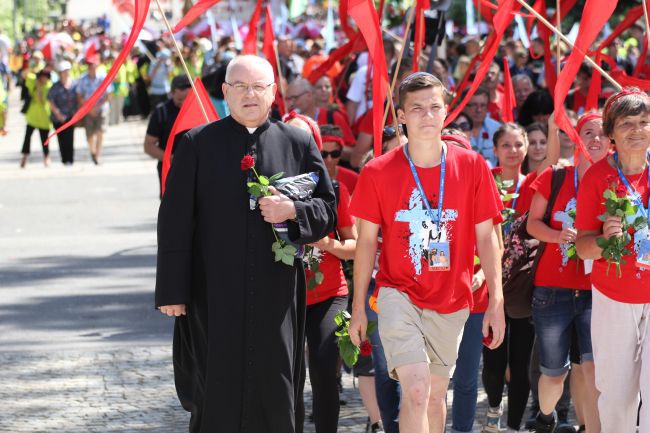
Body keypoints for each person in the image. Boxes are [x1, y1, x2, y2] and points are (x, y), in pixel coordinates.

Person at [155, 55, 337, 433]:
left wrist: (292, 209)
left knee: (277, 385)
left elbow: (326, 209)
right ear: (225, 92)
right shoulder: (197, 144)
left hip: (277, 292)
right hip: (213, 291)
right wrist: (173, 290)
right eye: (240, 86)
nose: (250, 94)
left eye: (258, 86)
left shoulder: (298, 143)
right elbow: (173, 222)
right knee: (214, 384)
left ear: (273, 92)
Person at [348, 72, 505, 433]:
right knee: (416, 389)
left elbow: (487, 238)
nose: (427, 116)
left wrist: (495, 300)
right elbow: (366, 242)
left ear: (446, 111)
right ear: (401, 116)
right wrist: (358, 307)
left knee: (435, 396)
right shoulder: (377, 171)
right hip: (396, 292)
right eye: (416, 108)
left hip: (452, 298)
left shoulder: (472, 166)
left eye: (435, 107)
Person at [527, 112, 611, 433]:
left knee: (590, 368)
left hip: (597, 288)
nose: (595, 139)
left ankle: (592, 428)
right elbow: (532, 223)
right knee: (554, 373)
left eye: (602, 133)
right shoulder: (555, 176)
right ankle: (546, 418)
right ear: (575, 138)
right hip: (552, 288)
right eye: (587, 132)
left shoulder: (617, 182)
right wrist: (556, 236)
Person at [575, 88, 650, 433]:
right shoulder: (596, 178)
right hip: (613, 298)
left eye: (644, 122)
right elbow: (583, 247)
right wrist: (607, 241)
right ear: (611, 134)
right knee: (618, 398)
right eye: (627, 124)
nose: (637, 130)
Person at [143, 75, 192, 197]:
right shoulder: (161, 112)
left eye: (187, 99)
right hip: (170, 171)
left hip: (196, 171)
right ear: (172, 93)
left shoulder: (201, 109)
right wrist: (171, 158)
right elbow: (148, 146)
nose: (183, 103)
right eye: (180, 99)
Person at [77, 55, 109, 165]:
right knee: (90, 134)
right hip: (88, 110)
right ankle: (93, 152)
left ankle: (98, 154)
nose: (91, 67)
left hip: (101, 109)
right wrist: (89, 108)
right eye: (89, 65)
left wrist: (97, 107)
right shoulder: (82, 79)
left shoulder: (103, 77)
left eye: (93, 65)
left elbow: (107, 95)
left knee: (100, 132)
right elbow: (79, 95)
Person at [20, 67, 52, 168]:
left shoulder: (49, 86)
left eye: (45, 77)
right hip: (32, 116)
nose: (43, 79)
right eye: (42, 76)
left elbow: (42, 101)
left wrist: (38, 88)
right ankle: (24, 156)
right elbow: (23, 74)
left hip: (44, 117)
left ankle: (46, 157)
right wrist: (32, 69)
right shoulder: (33, 80)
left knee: (44, 139)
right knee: (27, 137)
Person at [48, 61, 78, 165]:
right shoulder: (55, 86)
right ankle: (64, 159)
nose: (65, 73)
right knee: (62, 139)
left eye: (67, 71)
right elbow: (51, 101)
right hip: (58, 118)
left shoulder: (74, 84)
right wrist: (58, 114)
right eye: (63, 71)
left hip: (71, 116)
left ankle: (70, 159)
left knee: (70, 138)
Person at [464, 87, 501, 166]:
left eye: (483, 105)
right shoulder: (454, 130)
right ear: (464, 106)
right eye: (474, 105)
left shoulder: (497, 129)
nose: (479, 110)